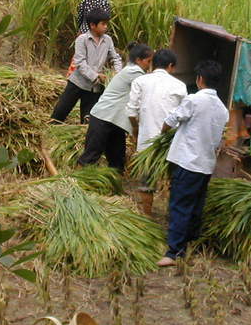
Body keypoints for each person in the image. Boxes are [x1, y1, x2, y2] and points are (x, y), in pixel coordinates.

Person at [157, 60, 229, 267]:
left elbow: (171, 120)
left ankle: (174, 252)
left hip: (187, 162)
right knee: (195, 205)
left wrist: (163, 135)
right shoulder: (222, 109)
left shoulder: (195, 100)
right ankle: (191, 241)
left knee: (180, 205)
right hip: (205, 165)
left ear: (200, 79)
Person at [126, 49, 187, 213]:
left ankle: (146, 216)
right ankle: (171, 215)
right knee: (174, 180)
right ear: (171, 66)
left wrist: (135, 130)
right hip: (171, 144)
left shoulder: (141, 81)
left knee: (146, 182)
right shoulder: (179, 86)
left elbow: (131, 112)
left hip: (147, 143)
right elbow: (184, 116)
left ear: (153, 64)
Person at [78, 43, 153, 172]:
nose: (150, 64)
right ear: (138, 60)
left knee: (117, 158)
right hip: (103, 117)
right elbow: (149, 86)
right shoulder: (133, 72)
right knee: (91, 155)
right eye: (149, 61)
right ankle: (78, 181)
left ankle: (114, 183)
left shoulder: (133, 70)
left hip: (116, 120)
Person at [51, 9, 122, 124]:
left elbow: (116, 58)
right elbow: (80, 62)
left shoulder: (108, 40)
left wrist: (116, 73)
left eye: (106, 24)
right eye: (103, 24)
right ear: (93, 25)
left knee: (88, 119)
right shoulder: (82, 39)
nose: (106, 27)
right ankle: (51, 131)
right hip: (77, 83)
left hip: (94, 88)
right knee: (60, 112)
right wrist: (96, 76)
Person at [67, 0, 116, 77]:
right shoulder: (103, 1)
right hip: (94, 35)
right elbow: (104, 20)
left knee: (79, 58)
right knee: (90, 60)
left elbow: (80, 11)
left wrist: (81, 28)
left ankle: (72, 77)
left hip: (83, 31)